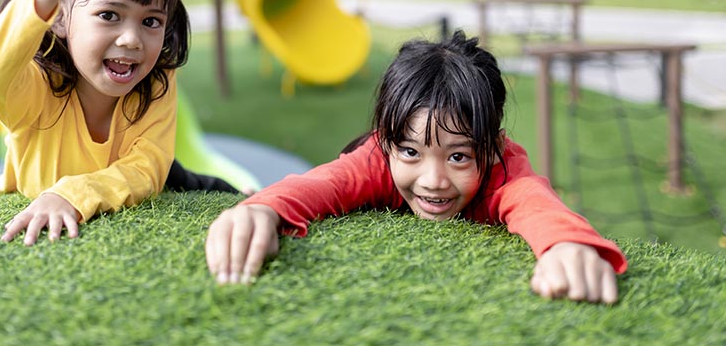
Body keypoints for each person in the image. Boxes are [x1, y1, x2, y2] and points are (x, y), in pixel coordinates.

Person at [205, 30, 628, 304]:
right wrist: (263, 209)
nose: (433, 181)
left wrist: (564, 245)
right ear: (387, 140)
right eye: (411, 152)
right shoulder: (377, 157)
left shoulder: (502, 167)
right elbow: (324, 183)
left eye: (458, 156)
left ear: (492, 145)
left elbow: (534, 200)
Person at [0, 0, 236, 246]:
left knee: (224, 193)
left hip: (173, 179)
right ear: (61, 18)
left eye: (151, 21)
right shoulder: (35, 88)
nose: (131, 39)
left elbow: (147, 170)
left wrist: (72, 194)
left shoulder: (156, 80)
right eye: (109, 15)